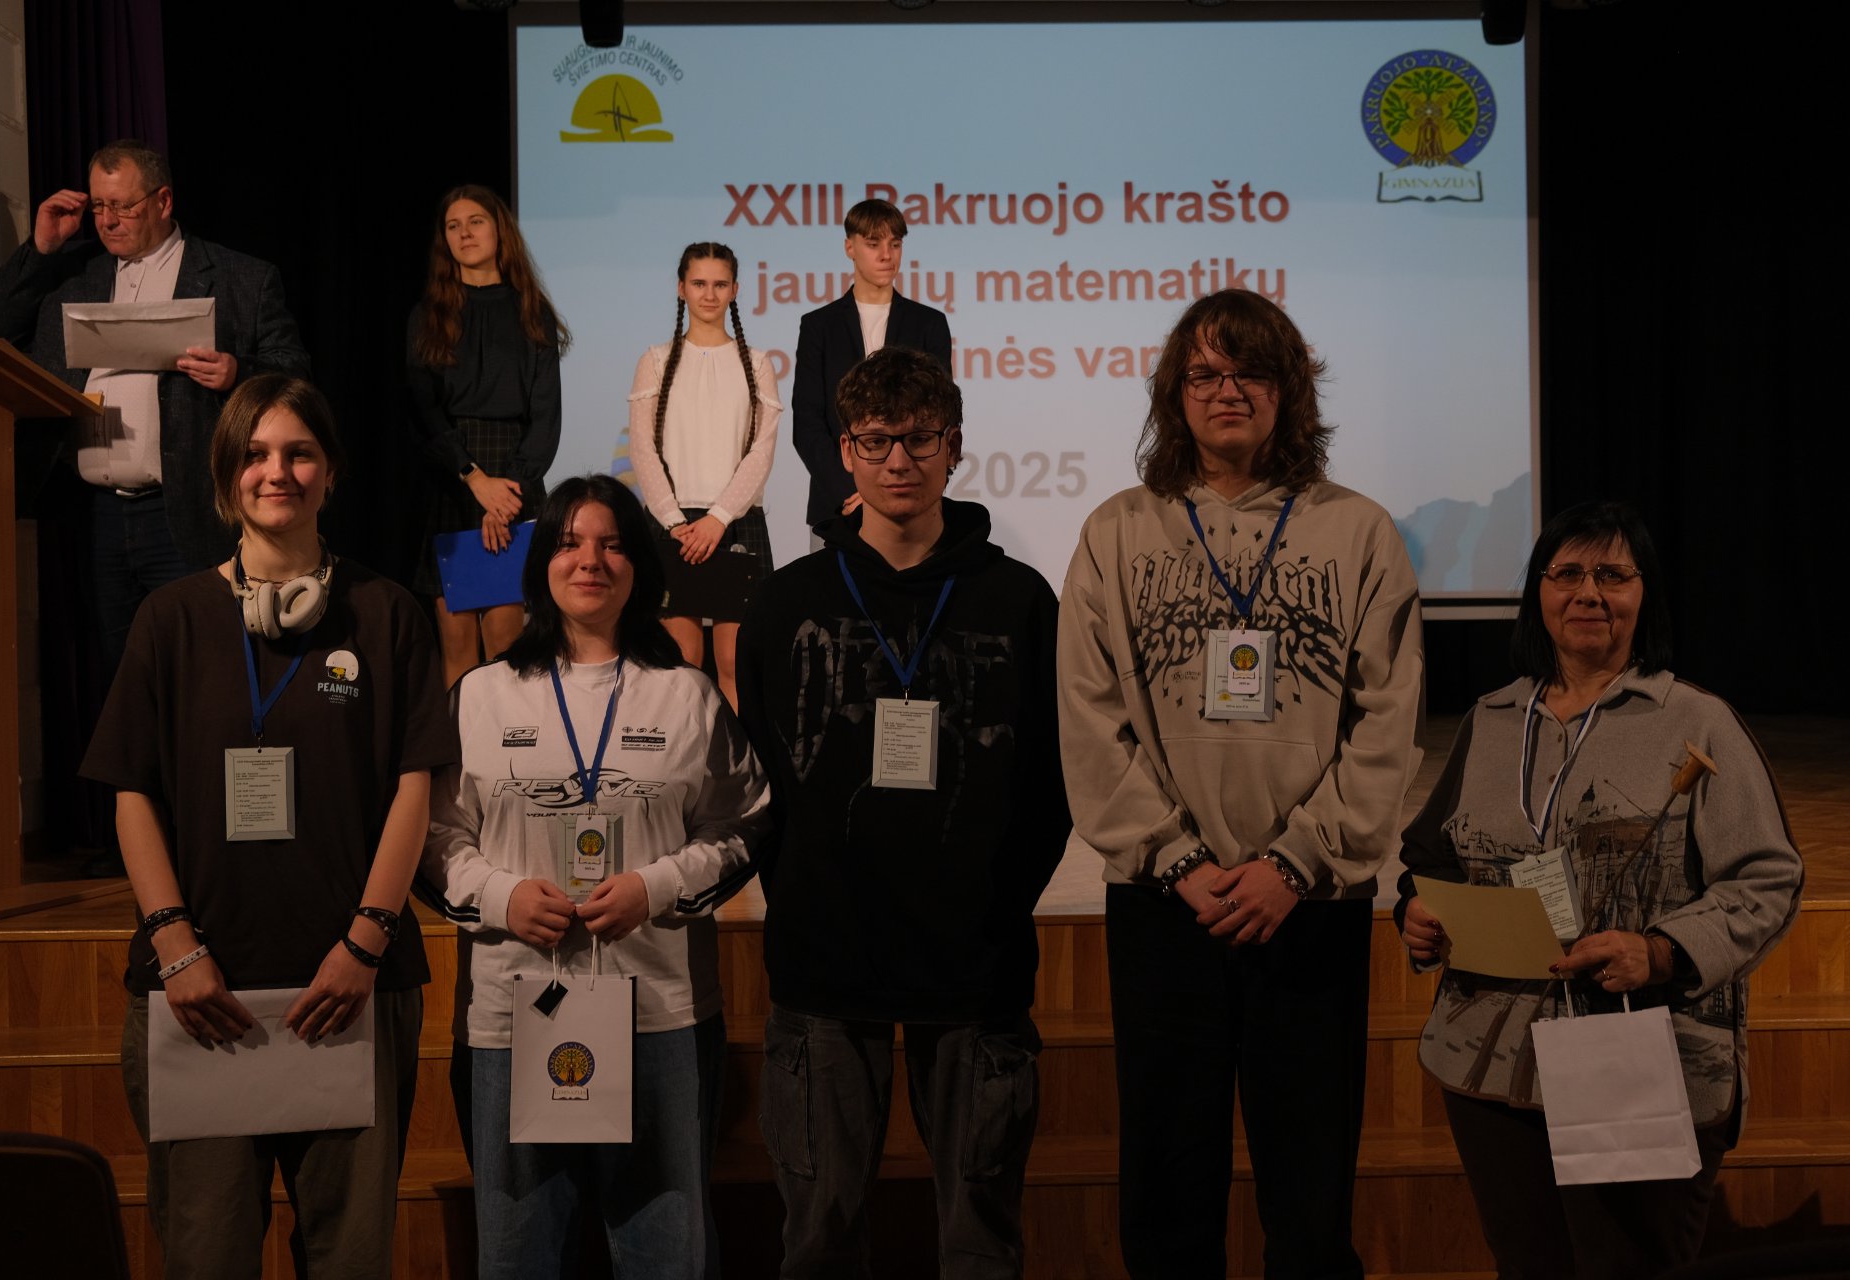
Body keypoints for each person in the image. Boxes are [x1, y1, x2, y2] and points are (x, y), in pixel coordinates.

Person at [1057, 289, 1425, 1278]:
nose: (1228, 391)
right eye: (1206, 373)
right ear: (1174, 394)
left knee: (1309, 1202)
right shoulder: (1116, 531)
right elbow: (1089, 722)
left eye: (1251, 372)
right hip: (1165, 906)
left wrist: (1295, 865)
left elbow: (1387, 724)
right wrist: (1177, 862)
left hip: (1310, 906)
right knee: (1167, 1199)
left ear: (1289, 390)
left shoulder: (1360, 531)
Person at [81, 375, 455, 1280]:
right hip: (201, 996)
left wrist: (365, 943)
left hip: (351, 991)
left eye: (299, 453)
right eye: (253, 454)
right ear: (224, 476)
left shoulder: (388, 614)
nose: (276, 472)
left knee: (350, 1259)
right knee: (205, 1254)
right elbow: (132, 791)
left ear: (332, 472)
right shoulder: (170, 619)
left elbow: (415, 789)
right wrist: (175, 946)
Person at [1395, 500, 1802, 1280]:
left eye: (1613, 575)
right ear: (1539, 594)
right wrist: (1417, 914)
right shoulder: (1492, 719)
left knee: (1627, 1268)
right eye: (1568, 573)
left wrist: (1662, 951)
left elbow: (1769, 879)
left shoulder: (1696, 721)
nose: (1589, 592)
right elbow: (1429, 859)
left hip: (1639, 1050)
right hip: (1491, 1064)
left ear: (1645, 596)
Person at [738, 345, 1069, 1278]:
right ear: (846, 450)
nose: (899, 460)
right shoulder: (786, 601)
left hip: (974, 963)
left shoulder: (1018, 600)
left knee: (979, 1243)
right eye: (877, 440)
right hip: (825, 963)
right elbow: (760, 777)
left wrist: (995, 899)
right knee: (819, 1240)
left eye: (921, 439)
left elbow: (1052, 781)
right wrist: (805, 896)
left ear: (954, 447)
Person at [421, 473, 770, 1280]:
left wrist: (660, 885)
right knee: (517, 1256)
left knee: (666, 1256)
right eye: (570, 542)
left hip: (661, 1011)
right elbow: (434, 839)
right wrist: (503, 897)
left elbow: (746, 823)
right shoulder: (481, 695)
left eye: (612, 544)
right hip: (514, 1013)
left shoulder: (686, 695)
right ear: (540, 561)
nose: (591, 560)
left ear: (639, 567)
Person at [0, 139, 311, 681]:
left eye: (123, 206)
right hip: (93, 516)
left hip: (183, 509)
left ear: (163, 201)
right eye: (98, 206)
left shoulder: (239, 277)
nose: (108, 221)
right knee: (125, 677)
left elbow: (294, 373)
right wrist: (41, 248)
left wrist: (237, 372)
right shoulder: (72, 272)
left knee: (202, 667)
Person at [408, 183, 571, 689]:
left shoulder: (532, 312)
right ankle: (459, 743)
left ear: (499, 229)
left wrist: (506, 497)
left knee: (505, 644)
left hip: (514, 478)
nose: (465, 233)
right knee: (456, 644)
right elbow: (422, 408)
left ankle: (508, 743)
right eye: (453, 226)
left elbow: (545, 417)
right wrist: (473, 479)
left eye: (475, 221)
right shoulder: (429, 315)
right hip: (453, 479)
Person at [626, 241, 781, 710]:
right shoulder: (655, 360)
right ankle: (688, 755)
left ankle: (739, 756)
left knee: (735, 661)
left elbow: (761, 451)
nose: (709, 294)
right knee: (682, 661)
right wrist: (675, 522)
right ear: (681, 288)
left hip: (736, 522)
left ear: (735, 290)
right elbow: (643, 449)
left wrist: (718, 518)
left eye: (719, 284)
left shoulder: (757, 364)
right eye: (698, 283)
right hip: (674, 525)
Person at [791, 198, 951, 531]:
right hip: (839, 506)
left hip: (911, 501)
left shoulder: (928, 324)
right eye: (873, 243)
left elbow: (940, 415)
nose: (886, 255)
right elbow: (807, 424)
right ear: (850, 247)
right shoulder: (819, 326)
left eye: (895, 244)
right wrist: (855, 492)